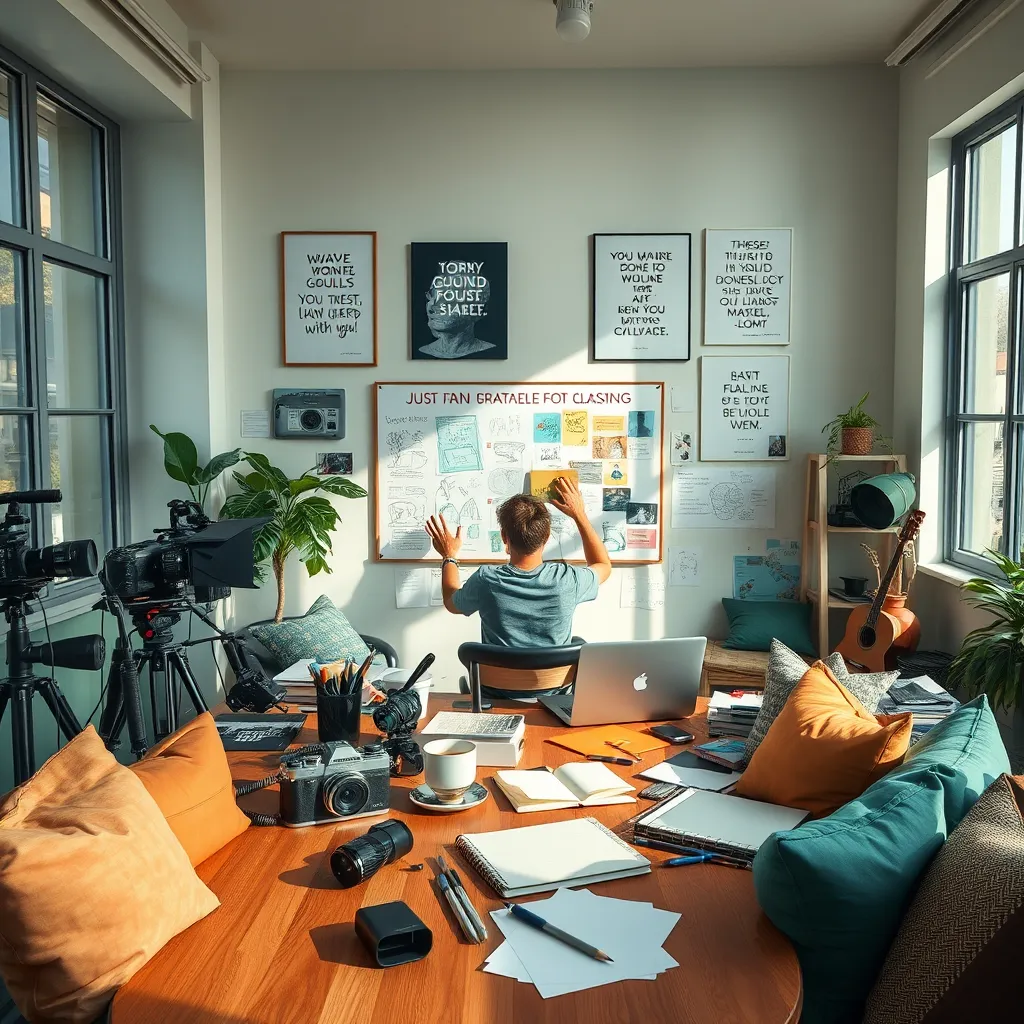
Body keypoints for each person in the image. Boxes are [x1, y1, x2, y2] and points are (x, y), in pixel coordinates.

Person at [424, 476, 611, 647]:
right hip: (555, 685)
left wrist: (449, 555)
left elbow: (451, 602)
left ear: (504, 537)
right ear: (546, 537)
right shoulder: (567, 579)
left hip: (496, 685)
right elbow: (603, 565)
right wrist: (579, 514)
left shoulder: (486, 580)